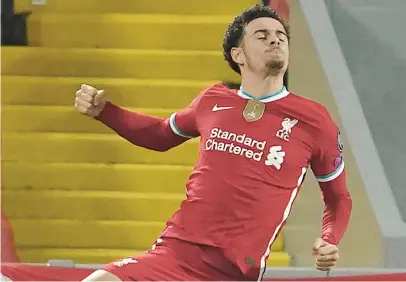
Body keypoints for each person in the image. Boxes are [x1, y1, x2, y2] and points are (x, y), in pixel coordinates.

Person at [75, 4, 352, 281]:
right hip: (175, 254)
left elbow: (338, 198)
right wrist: (106, 112)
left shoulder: (315, 120)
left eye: (280, 34)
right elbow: (160, 135)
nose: (275, 39)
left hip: (234, 273)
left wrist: (330, 238)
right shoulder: (213, 100)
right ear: (238, 54)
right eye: (262, 34)